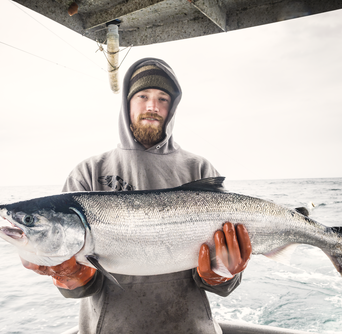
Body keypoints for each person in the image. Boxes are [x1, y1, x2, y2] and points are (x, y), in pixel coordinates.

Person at [21, 58, 252, 334]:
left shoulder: (199, 170)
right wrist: (71, 275)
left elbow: (222, 284)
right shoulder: (89, 173)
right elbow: (81, 287)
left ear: (173, 107)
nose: (152, 106)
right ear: (127, 103)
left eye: (162, 98)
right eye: (143, 96)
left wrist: (223, 272)